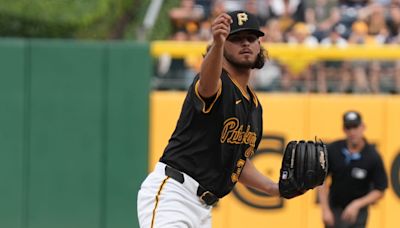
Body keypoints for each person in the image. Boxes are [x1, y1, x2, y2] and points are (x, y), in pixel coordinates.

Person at [137, 10, 281, 227]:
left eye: (251, 38)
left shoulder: (254, 106)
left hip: (203, 209)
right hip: (174, 194)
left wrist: (273, 188)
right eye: (236, 38)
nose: (245, 44)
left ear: (259, 45)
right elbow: (207, 83)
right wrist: (217, 43)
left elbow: (238, 161)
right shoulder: (217, 82)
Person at [318, 111, 388, 228]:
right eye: (348, 127)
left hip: (358, 212)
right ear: (343, 129)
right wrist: (325, 209)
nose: (352, 132)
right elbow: (321, 180)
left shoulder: (372, 156)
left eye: (355, 127)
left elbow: (380, 189)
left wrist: (357, 204)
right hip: (335, 207)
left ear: (362, 127)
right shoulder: (334, 149)